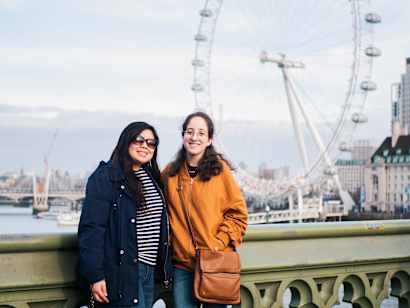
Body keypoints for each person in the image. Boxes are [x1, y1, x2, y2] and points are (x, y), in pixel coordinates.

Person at [78, 122, 172, 307]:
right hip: (124, 270)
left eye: (151, 143)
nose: (145, 146)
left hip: (149, 271)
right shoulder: (105, 177)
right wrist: (96, 276)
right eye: (139, 140)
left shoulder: (152, 178)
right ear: (126, 141)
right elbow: (92, 230)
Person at [163, 111, 248, 308]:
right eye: (189, 132)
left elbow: (238, 215)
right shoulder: (170, 174)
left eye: (201, 133)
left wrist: (218, 243)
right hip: (182, 265)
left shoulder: (221, 172)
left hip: (216, 262)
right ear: (183, 136)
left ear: (209, 140)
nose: (194, 137)